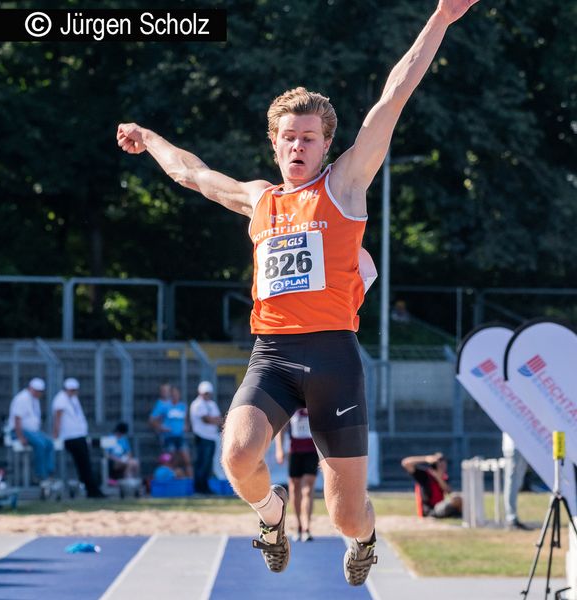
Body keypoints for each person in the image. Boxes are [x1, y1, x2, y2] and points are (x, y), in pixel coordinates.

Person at [117, 0, 480, 584]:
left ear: (325, 144)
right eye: (288, 137)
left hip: (334, 356)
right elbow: (192, 173)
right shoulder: (260, 199)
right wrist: (151, 137)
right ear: (275, 142)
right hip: (274, 355)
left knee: (343, 511)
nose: (296, 147)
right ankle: (271, 514)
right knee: (236, 454)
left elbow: (392, 100)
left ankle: (363, 537)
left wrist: (440, 18)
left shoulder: (346, 184)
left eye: (308, 138)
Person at [52, 377, 105, 498]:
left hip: (79, 435)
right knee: (84, 464)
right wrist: (56, 435)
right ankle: (92, 490)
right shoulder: (61, 400)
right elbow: (58, 419)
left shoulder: (73, 399)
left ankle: (91, 489)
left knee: (85, 464)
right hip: (71, 437)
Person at [275, 408, 320, 542]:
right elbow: (281, 427)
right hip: (295, 451)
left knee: (307, 489)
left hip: (311, 451)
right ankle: (298, 525)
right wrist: (279, 449)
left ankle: (307, 527)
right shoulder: (292, 406)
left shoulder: (314, 404)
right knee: (294, 489)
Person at [8, 377, 55, 484]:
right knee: (40, 444)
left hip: (32, 432)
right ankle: (40, 474)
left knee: (49, 443)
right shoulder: (22, 398)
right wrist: (20, 436)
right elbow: (17, 419)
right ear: (31, 389)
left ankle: (49, 472)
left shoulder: (34, 400)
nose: (39, 394)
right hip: (20, 431)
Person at [149, 385, 193, 478]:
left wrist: (186, 426)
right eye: (173, 394)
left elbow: (185, 421)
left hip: (180, 437)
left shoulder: (182, 406)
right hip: (169, 437)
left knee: (187, 460)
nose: (175, 396)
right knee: (171, 461)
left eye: (177, 394)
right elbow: (152, 420)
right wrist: (161, 427)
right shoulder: (165, 406)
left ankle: (191, 484)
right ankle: (173, 481)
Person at [401, 452, 463, 518]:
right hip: (429, 511)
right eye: (440, 464)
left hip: (440, 507)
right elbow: (406, 463)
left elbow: (448, 491)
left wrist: (438, 477)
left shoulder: (444, 477)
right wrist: (425, 459)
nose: (443, 467)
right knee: (456, 500)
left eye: (444, 464)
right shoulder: (425, 475)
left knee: (459, 499)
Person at [189, 381, 223, 494]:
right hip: (202, 437)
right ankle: (199, 487)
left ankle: (204, 487)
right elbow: (207, 419)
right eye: (205, 393)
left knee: (207, 464)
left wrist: (214, 420)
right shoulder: (197, 404)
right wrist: (215, 420)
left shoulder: (211, 404)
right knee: (201, 464)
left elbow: (217, 418)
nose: (207, 395)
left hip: (211, 438)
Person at [502, 432, 533, 530]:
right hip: (513, 447)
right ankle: (511, 518)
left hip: (523, 445)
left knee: (518, 483)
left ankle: (512, 516)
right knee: (512, 482)